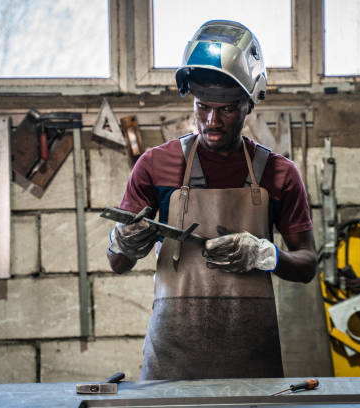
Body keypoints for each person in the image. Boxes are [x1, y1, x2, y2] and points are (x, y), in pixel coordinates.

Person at [107, 20, 317, 380]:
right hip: (173, 357)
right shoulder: (156, 165)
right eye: (202, 106)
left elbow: (308, 264)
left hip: (251, 359)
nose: (211, 121)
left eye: (227, 109)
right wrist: (123, 241)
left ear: (250, 103)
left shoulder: (279, 174)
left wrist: (266, 254)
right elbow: (118, 264)